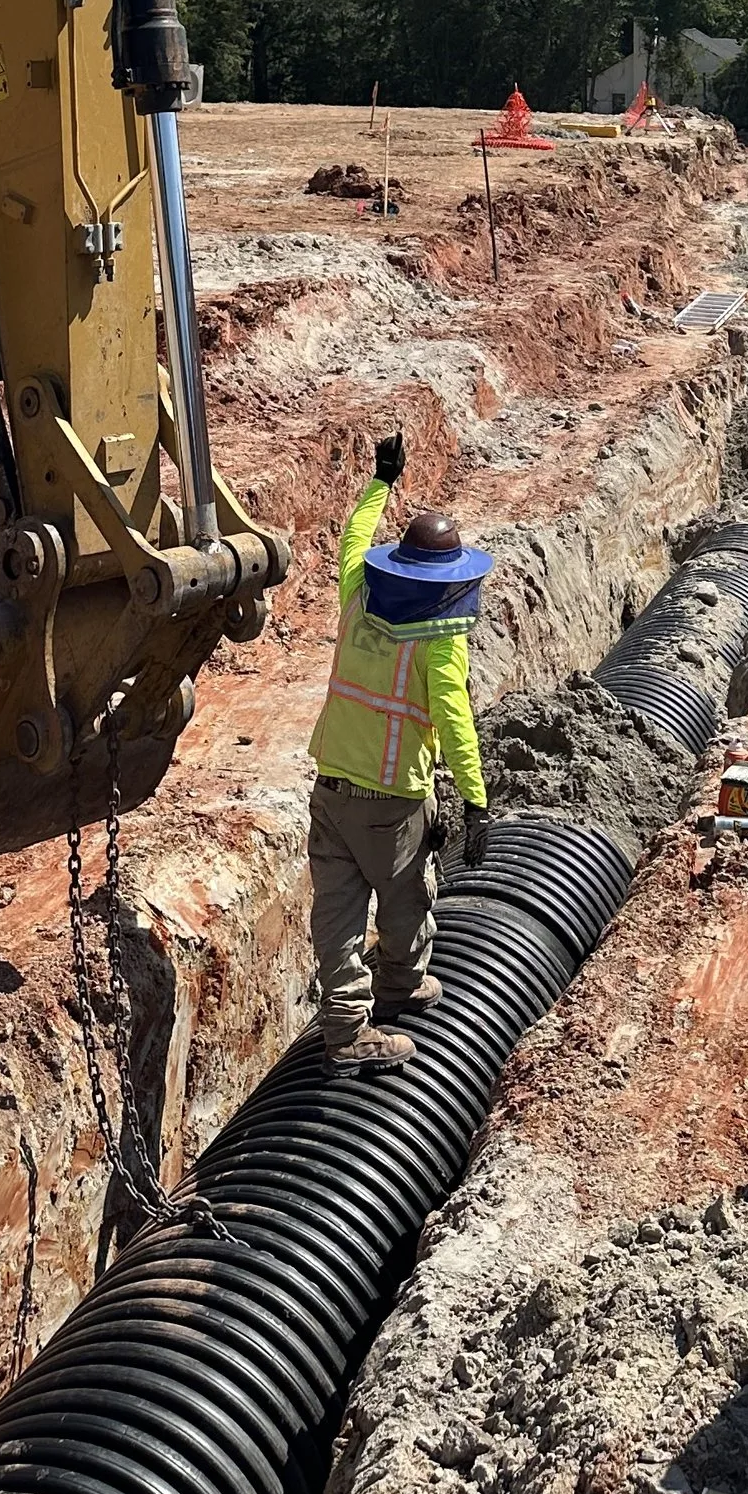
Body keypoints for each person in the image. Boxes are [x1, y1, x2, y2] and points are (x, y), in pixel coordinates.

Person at [306, 432, 492, 1071]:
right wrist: (474, 799)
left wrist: (382, 480)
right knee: (408, 893)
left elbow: (353, 538)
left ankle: (344, 1031)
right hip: (392, 796)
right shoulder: (440, 638)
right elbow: (455, 718)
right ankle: (401, 986)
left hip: (330, 784)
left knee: (337, 910)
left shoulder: (357, 592)